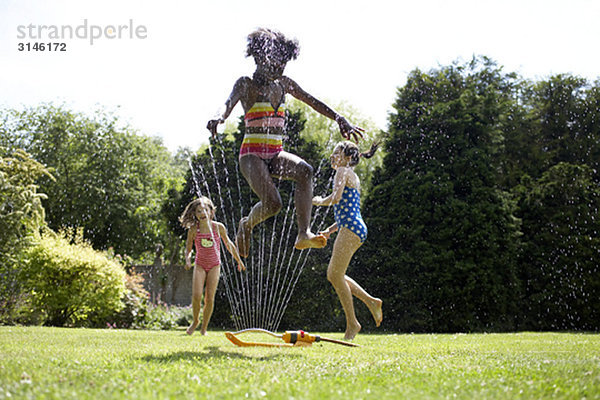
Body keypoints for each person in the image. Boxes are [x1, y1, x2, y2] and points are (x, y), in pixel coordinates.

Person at [207, 27, 364, 258]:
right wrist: (219, 117)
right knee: (273, 204)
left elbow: (312, 101)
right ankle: (246, 225)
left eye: (283, 65)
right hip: (251, 156)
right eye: (275, 64)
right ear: (260, 58)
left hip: (275, 153)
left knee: (305, 171)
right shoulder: (245, 84)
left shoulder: (284, 84)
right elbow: (227, 104)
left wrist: (339, 117)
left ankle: (304, 233)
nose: (279, 69)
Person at [312, 141, 383, 340]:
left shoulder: (343, 171)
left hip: (351, 228)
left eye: (337, 152)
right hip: (354, 227)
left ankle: (353, 323)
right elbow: (347, 210)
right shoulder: (351, 175)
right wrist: (329, 230)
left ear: (348, 157)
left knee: (334, 275)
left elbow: (335, 198)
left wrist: (318, 201)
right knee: (337, 274)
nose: (333, 156)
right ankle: (371, 301)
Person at [179, 196, 245, 335]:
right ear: (195, 214)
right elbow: (188, 248)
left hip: (215, 265)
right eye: (198, 211)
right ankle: (195, 321)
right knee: (197, 295)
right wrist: (187, 259)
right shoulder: (193, 230)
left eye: (205, 210)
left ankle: (204, 328)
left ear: (211, 212)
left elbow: (229, 244)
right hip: (200, 265)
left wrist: (238, 260)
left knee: (210, 298)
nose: (202, 213)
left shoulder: (218, 227)